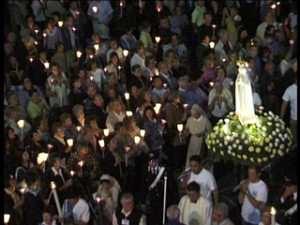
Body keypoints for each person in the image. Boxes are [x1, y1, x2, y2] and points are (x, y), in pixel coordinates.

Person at [184, 104, 211, 168]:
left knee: (200, 157)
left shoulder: (205, 120)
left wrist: (203, 134)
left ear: (199, 113)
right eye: (192, 115)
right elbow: (186, 129)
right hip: (192, 141)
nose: (193, 116)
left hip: (202, 141)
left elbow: (210, 131)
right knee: (191, 156)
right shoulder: (190, 119)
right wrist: (186, 132)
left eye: (195, 114)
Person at [280, 72, 297, 145]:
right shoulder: (290, 89)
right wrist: (281, 117)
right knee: (294, 137)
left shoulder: (289, 89)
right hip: (294, 118)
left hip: (294, 118)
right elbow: (284, 104)